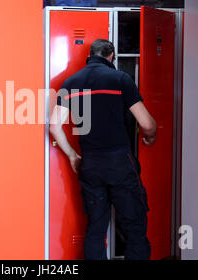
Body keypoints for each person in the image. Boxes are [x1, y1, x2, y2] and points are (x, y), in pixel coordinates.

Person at [49, 39, 157, 260]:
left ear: (90, 55)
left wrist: (72, 155)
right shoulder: (120, 79)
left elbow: (53, 126)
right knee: (134, 227)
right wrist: (151, 136)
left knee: (96, 228)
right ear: (111, 56)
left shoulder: (70, 83)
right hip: (120, 163)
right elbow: (146, 124)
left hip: (90, 165)